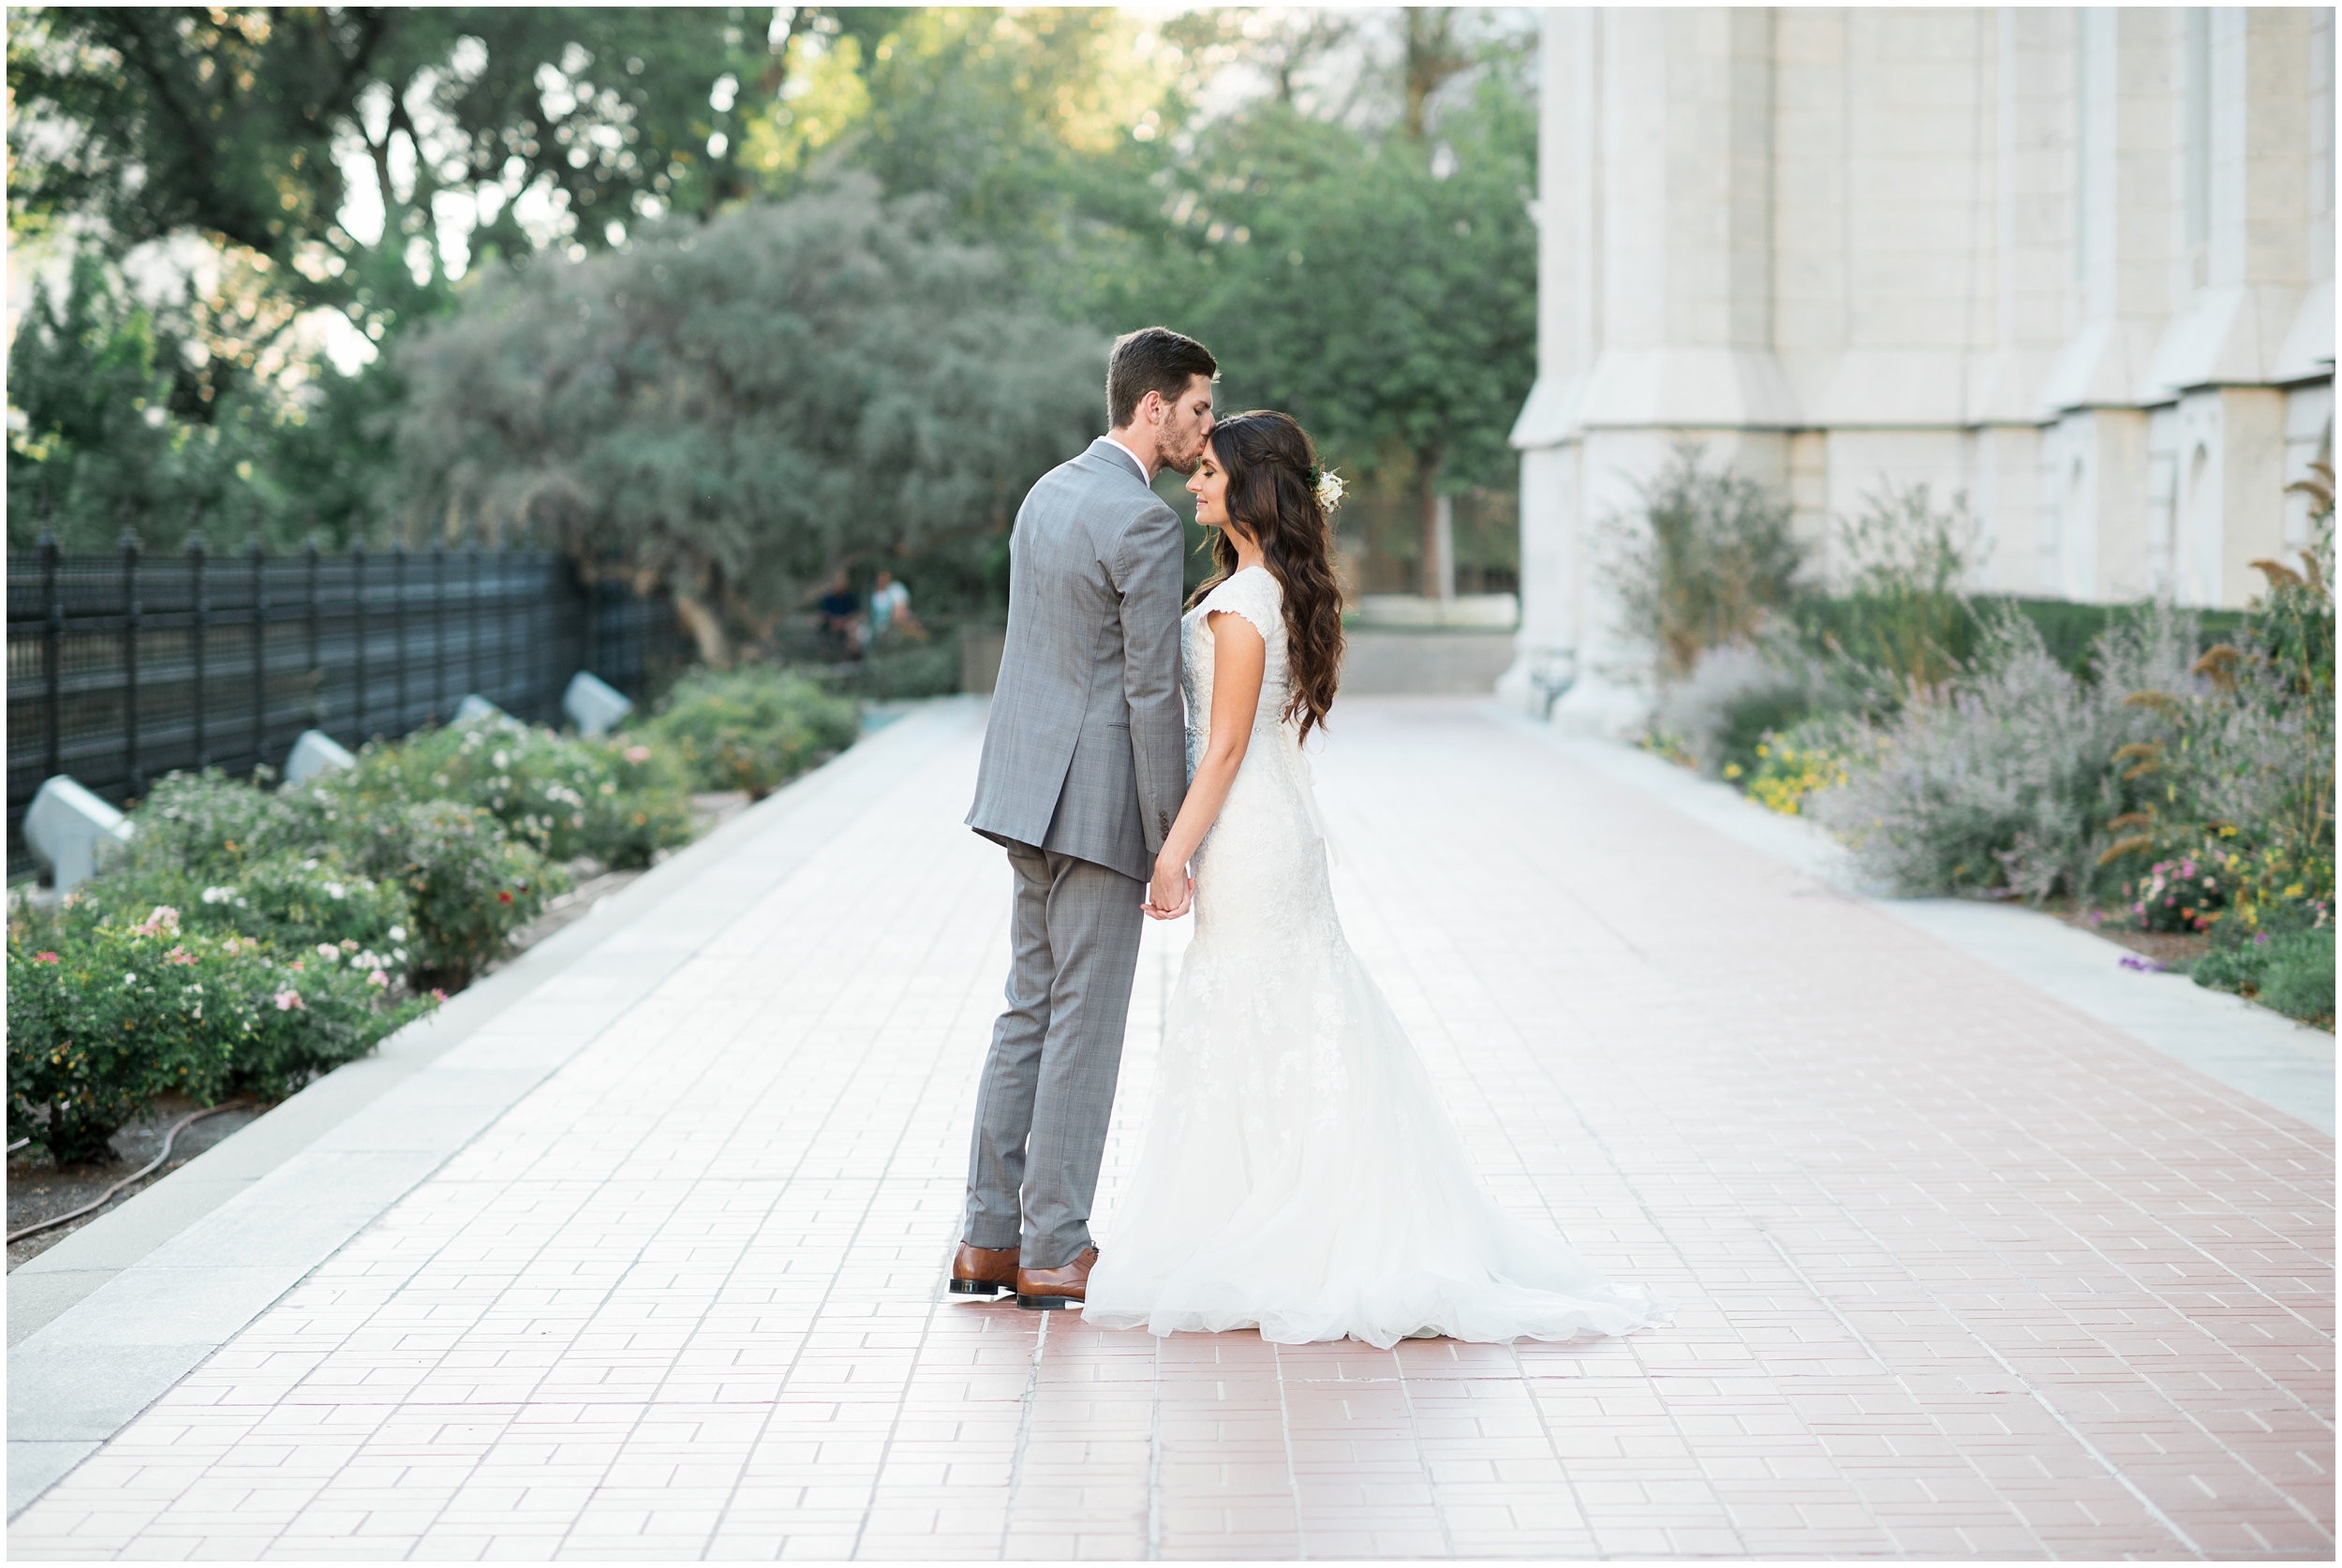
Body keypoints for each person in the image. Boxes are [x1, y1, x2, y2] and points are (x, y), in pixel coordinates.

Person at [1078, 410, 1672, 1348]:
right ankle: (1269, 1206)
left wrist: (1168, 854)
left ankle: (1276, 1221)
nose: (1192, 481)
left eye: (1208, 474)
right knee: (1280, 1006)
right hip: (1276, 827)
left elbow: (1225, 746)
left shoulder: (1241, 607)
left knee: (1254, 1005)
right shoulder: (1265, 591)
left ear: (1250, 487)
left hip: (1250, 832)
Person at [955, 327, 1219, 1309]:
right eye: (1197, 408)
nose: (1206, 429)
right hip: (1100, 804)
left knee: (1028, 1008)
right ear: (1151, 407)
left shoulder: (1047, 492)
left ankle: (987, 1238)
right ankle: (1055, 1247)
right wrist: (1168, 841)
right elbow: (1153, 696)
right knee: (1084, 1025)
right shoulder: (1143, 523)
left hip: (1022, 794)